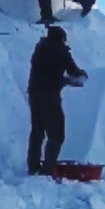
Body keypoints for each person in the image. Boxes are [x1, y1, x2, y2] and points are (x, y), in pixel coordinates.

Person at [26, 26, 87, 176]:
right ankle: (47, 170)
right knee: (57, 135)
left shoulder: (39, 49)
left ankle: (33, 166)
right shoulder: (61, 51)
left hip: (34, 95)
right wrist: (81, 76)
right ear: (61, 39)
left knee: (37, 132)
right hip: (49, 97)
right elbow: (74, 71)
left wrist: (64, 81)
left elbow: (47, 73)